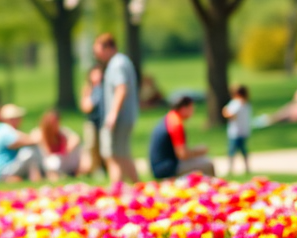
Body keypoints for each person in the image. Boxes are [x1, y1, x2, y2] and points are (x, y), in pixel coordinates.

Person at [94, 33, 139, 183]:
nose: (97, 55)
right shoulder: (122, 61)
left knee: (114, 154)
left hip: (119, 117)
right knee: (119, 153)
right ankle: (128, 186)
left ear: (108, 47)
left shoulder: (117, 64)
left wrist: (113, 113)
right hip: (124, 116)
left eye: (98, 50)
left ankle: (123, 187)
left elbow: (121, 88)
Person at [149, 95, 215, 179]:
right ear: (184, 109)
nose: (193, 111)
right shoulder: (176, 124)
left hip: (160, 165)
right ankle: (211, 189)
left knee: (201, 162)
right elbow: (182, 154)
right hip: (167, 168)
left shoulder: (170, 117)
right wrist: (199, 151)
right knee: (207, 165)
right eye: (191, 108)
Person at [0, 103, 45, 183]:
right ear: (12, 119)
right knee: (30, 152)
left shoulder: (0, 128)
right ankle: (37, 177)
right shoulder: (5, 130)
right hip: (2, 171)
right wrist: (38, 137)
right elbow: (24, 141)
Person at [33, 108, 82, 179]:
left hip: (61, 159)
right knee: (53, 161)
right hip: (47, 162)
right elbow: (46, 153)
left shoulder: (61, 132)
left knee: (80, 150)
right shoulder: (40, 133)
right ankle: (53, 176)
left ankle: (78, 172)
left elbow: (76, 138)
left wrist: (69, 147)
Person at [78, 64, 105, 176]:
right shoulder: (88, 89)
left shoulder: (105, 87)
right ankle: (95, 169)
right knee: (92, 146)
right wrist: (92, 100)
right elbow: (85, 107)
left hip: (103, 122)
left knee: (104, 146)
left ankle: (104, 167)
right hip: (92, 122)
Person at [223, 85, 252, 176]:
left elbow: (230, 114)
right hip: (244, 131)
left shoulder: (236, 103)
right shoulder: (247, 104)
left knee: (232, 151)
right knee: (243, 150)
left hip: (235, 132)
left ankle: (230, 168)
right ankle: (247, 167)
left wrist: (224, 111)